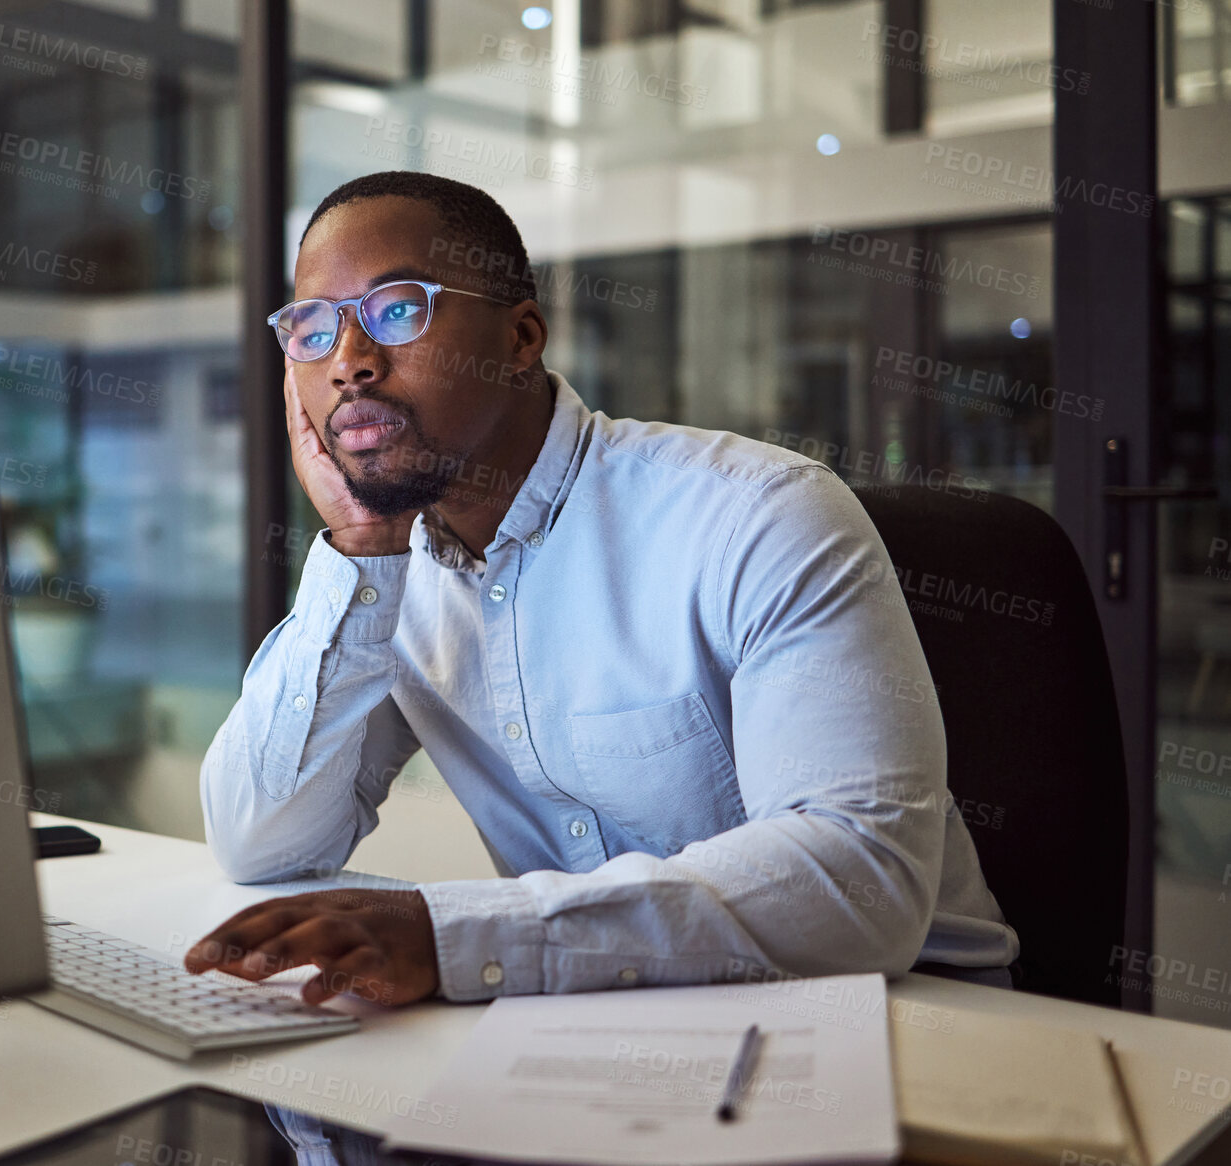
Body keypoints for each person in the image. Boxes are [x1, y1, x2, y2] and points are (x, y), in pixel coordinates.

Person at [183, 170, 1017, 1009]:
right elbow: (262, 845)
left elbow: (858, 879)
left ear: (520, 338)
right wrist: (361, 548)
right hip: (605, 1021)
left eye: (398, 310)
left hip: (909, 1015)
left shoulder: (757, 515)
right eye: (313, 329)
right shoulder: (393, 578)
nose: (350, 363)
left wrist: (448, 934)